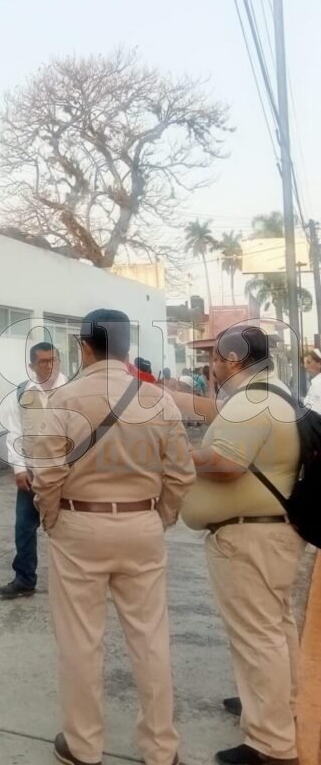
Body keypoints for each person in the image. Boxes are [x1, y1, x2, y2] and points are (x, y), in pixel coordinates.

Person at [34, 309, 195, 765]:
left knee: (80, 642)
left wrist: (53, 519)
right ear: (127, 347)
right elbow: (181, 473)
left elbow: (47, 474)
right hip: (141, 525)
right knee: (150, 639)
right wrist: (159, 516)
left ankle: (84, 746)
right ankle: (161, 749)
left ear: (84, 347)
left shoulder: (63, 399)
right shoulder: (159, 400)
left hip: (79, 525)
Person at [182, 326, 304, 765]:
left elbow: (225, 463)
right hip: (268, 534)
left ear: (233, 359)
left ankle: (270, 743)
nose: (211, 365)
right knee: (274, 628)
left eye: (215, 357)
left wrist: (179, 455)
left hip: (248, 538)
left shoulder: (251, 402)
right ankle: (276, 706)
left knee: (257, 637)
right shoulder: (275, 392)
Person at [0, 342, 68, 599]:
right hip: (32, 474)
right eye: (43, 362)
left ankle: (70, 582)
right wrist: (18, 469)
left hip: (64, 475)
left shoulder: (74, 391)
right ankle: (24, 579)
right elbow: (14, 433)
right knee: (24, 528)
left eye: (53, 360)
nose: (49, 366)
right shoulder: (22, 393)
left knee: (66, 529)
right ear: (32, 365)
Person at [303, 348, 321, 413]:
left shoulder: (318, 385)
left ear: (319, 364)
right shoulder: (315, 383)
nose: (305, 366)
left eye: (308, 362)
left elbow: (315, 413)